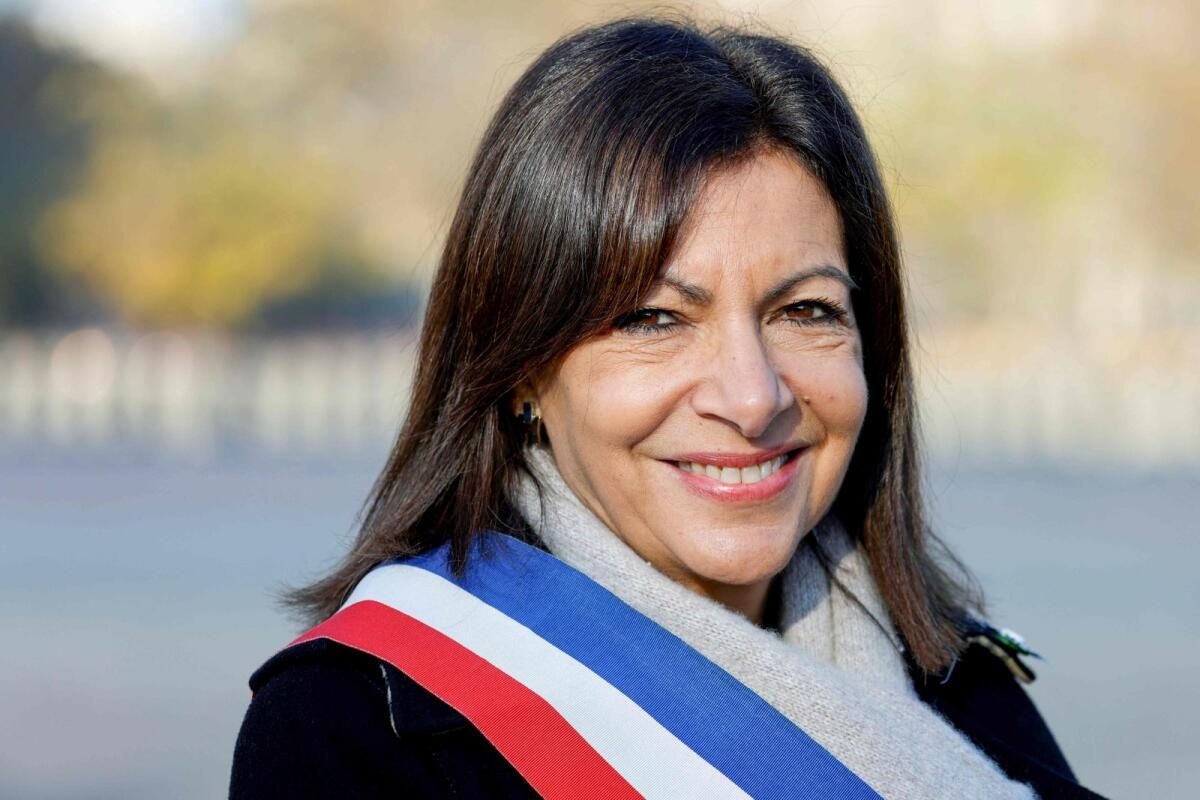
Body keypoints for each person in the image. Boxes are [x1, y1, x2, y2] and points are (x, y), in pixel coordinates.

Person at [230, 17, 1107, 799]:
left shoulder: (957, 682)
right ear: (521, 365)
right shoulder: (360, 728)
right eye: (654, 319)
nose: (752, 398)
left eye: (806, 311)